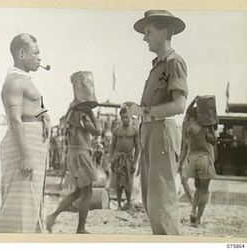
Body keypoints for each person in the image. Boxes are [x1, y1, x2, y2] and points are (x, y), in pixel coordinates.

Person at [124, 10, 188, 234]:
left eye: (148, 32)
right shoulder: (158, 65)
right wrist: (140, 110)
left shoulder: (174, 62)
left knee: (162, 202)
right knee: (152, 201)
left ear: (164, 31)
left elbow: (180, 105)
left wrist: (144, 110)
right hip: (151, 131)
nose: (144, 37)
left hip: (162, 131)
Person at [0, 33, 50, 233]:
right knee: (20, 199)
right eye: (35, 53)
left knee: (32, 199)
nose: (39, 57)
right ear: (21, 53)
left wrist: (45, 115)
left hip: (34, 142)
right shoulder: (14, 82)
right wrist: (25, 155)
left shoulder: (26, 80)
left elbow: (35, 106)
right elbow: (15, 120)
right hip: (24, 144)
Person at [46, 71, 102, 234]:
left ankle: (53, 216)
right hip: (80, 154)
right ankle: (80, 228)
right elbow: (97, 131)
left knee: (79, 191)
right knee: (87, 191)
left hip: (75, 153)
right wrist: (92, 112)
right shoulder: (81, 113)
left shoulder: (72, 110)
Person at [179, 107, 217, 227]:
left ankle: (193, 211)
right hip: (204, 158)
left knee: (197, 188)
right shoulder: (204, 128)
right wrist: (211, 126)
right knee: (204, 190)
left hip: (193, 158)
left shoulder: (187, 127)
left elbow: (184, 147)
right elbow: (214, 141)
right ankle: (198, 219)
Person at [110, 108, 140, 210]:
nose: (125, 120)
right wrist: (111, 159)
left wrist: (135, 162)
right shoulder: (117, 130)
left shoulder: (134, 131)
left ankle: (128, 204)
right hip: (118, 159)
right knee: (119, 183)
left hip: (129, 158)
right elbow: (112, 146)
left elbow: (138, 148)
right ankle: (118, 205)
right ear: (120, 118)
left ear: (130, 117)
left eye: (126, 117)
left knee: (128, 182)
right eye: (123, 118)